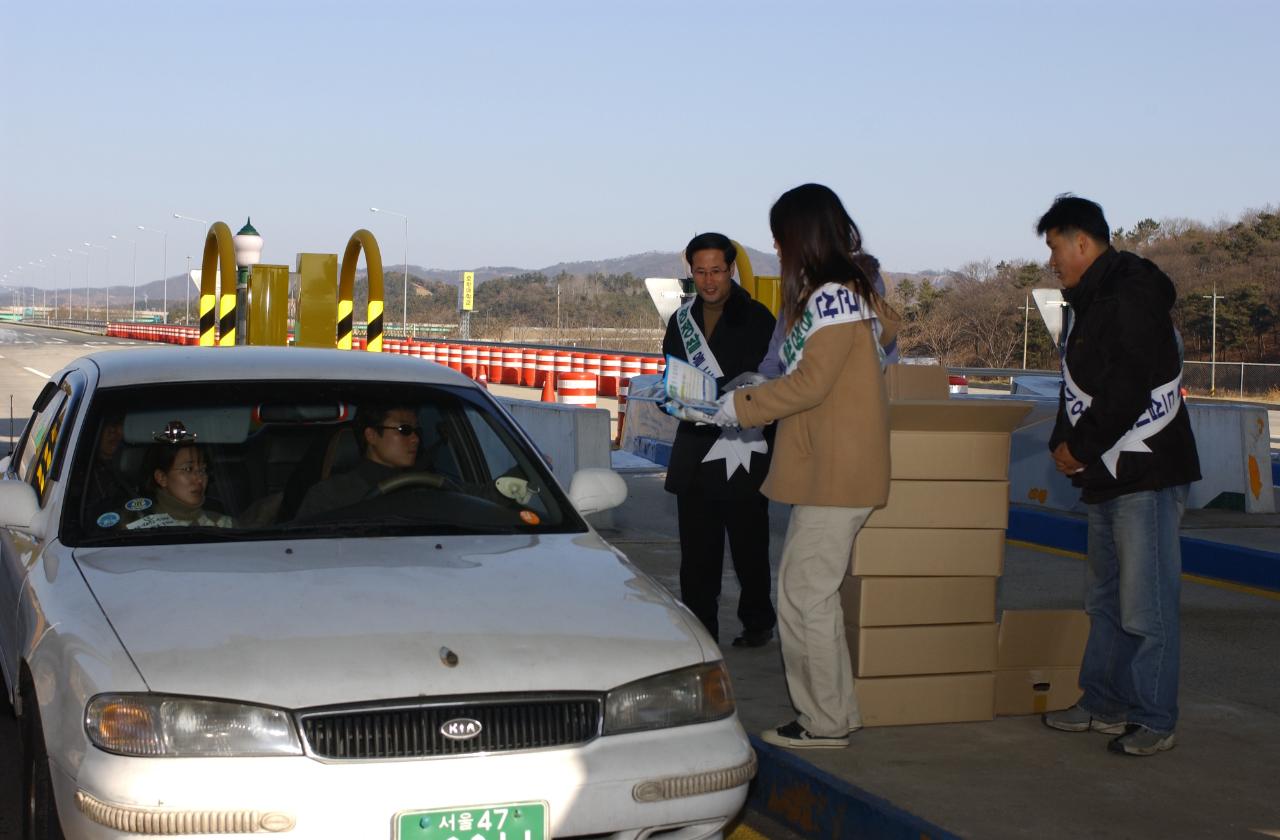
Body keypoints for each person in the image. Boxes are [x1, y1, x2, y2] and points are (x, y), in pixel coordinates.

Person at [713, 184, 898, 749]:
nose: (775, 244)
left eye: (781, 234)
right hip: (835, 468)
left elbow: (810, 384)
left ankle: (823, 722)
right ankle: (836, 714)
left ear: (803, 236)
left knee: (802, 597)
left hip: (836, 472)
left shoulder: (832, 298)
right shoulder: (852, 291)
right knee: (809, 594)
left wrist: (740, 405)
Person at [1036, 194, 1200, 757]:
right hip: (1107, 472)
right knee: (1104, 600)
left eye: (1056, 247)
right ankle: (1103, 703)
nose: (1052, 260)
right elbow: (1077, 386)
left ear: (1082, 241)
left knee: (1145, 606)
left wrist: (1077, 447)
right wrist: (1064, 442)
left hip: (1145, 473)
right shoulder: (1088, 300)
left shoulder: (1130, 295)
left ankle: (1154, 717)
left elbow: (1128, 385)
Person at [661, 232, 778, 647]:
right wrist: (671, 399)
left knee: (748, 545)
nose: (709, 280)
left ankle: (757, 621)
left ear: (731, 269)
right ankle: (700, 631)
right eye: (700, 271)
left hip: (742, 446)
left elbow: (770, 383)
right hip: (695, 447)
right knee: (697, 554)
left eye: (717, 271)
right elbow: (673, 371)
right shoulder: (681, 320)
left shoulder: (760, 318)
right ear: (690, 271)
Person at [295, 404, 421, 518]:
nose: (415, 439)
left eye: (417, 431)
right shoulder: (329, 496)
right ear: (371, 435)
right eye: (405, 430)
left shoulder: (424, 487)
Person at [121, 425, 232, 529]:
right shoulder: (136, 528)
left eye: (202, 470)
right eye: (188, 469)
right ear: (162, 478)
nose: (199, 479)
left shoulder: (225, 526)